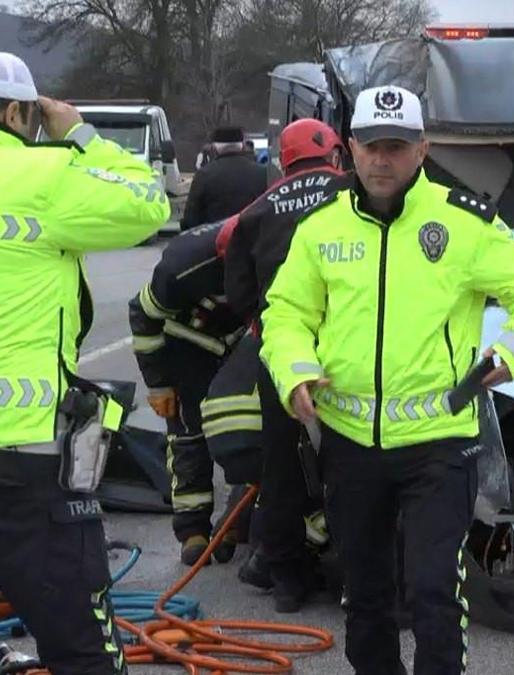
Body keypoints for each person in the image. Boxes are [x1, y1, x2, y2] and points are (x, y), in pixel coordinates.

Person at [260, 85, 514, 675]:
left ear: (422, 149)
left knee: (432, 591)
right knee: (365, 597)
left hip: (439, 445)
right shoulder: (319, 228)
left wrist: (512, 353)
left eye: (396, 147)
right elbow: (287, 313)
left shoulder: (463, 223)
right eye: (371, 145)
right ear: (350, 147)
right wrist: (294, 371)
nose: (382, 159)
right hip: (349, 444)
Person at [0, 51, 169, 674]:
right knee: (80, 646)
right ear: (17, 113)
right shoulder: (39, 176)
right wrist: (79, 134)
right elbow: (148, 202)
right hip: (26, 456)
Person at [224, 117, 350, 612]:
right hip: (347, 353)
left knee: (280, 467)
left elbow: (239, 295)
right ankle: (355, 574)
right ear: (336, 153)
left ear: (282, 161)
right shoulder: (355, 192)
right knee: (355, 463)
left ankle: (287, 583)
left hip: (279, 354)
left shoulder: (255, 212)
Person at [127, 217, 251, 565]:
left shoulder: (269, 252)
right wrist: (158, 384)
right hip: (186, 344)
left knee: (246, 426)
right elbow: (143, 316)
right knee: (188, 435)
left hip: (239, 343)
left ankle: (236, 521)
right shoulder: (180, 268)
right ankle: (193, 531)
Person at [180, 126, 267, 231]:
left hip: (215, 237)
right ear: (243, 145)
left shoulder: (204, 175)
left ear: (214, 147)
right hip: (253, 237)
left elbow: (191, 218)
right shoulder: (263, 173)